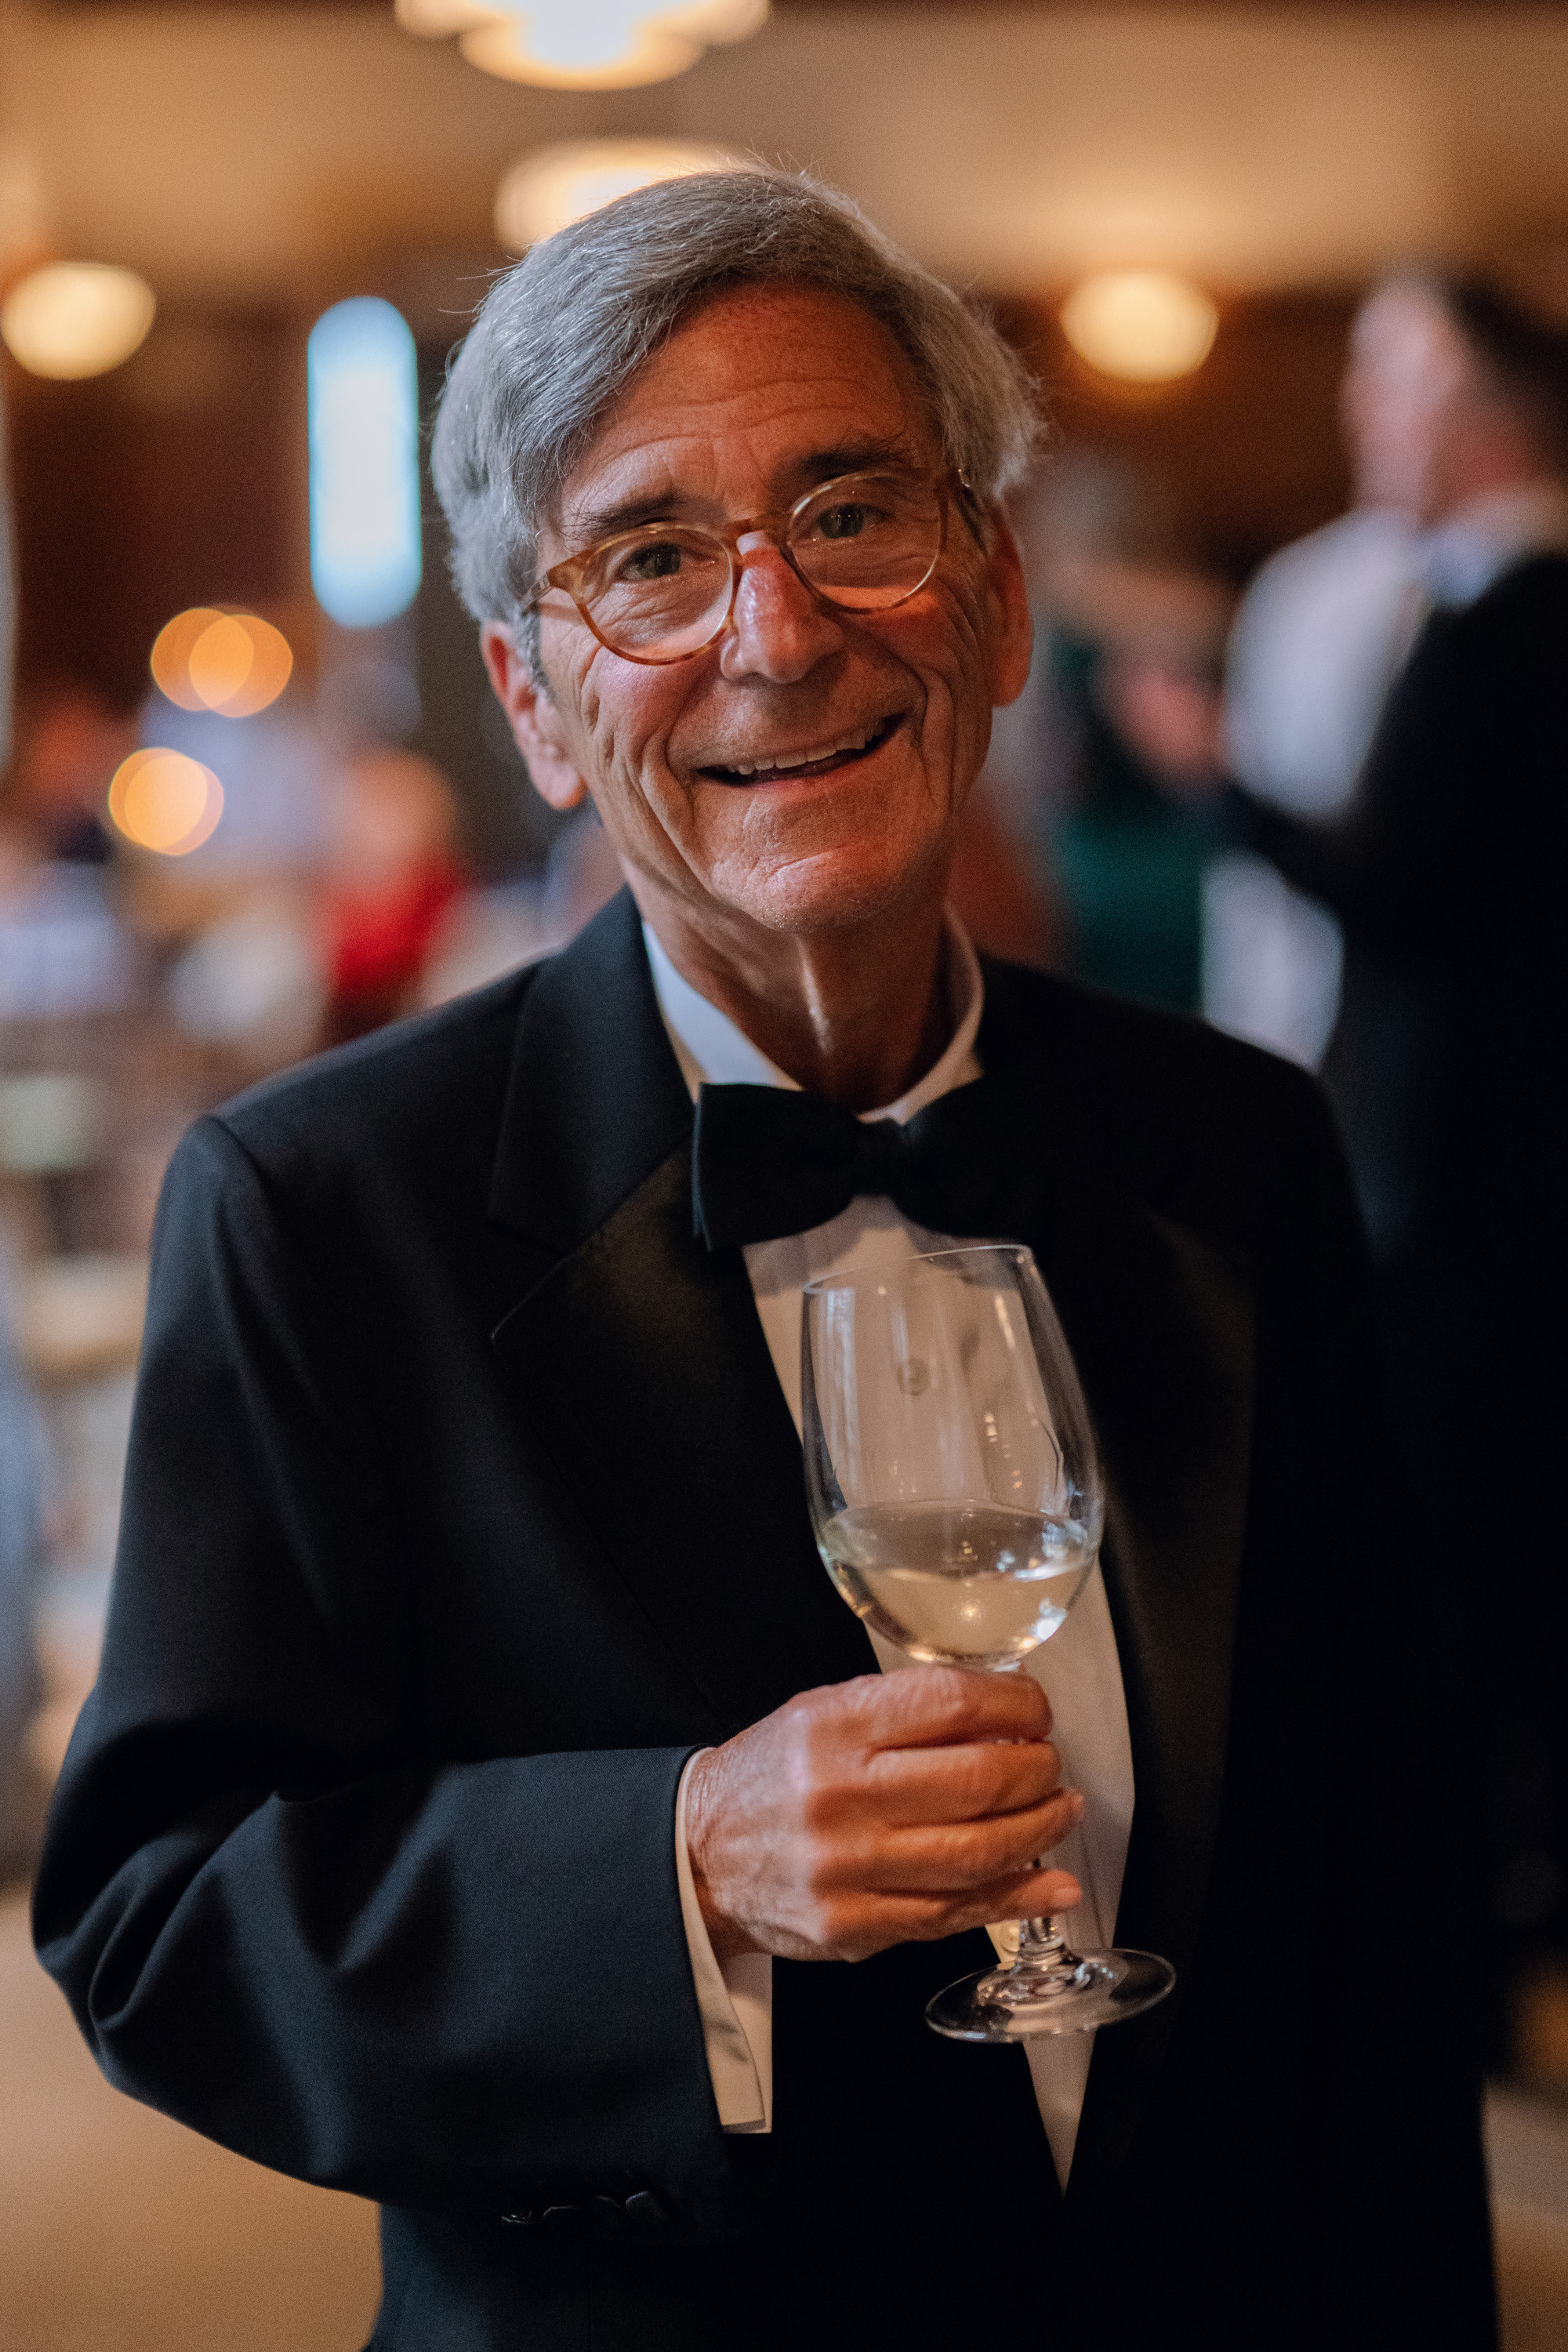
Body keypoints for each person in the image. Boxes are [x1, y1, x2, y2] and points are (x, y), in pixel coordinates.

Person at [33, 172, 1494, 2350]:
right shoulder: (322, 1208)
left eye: (854, 513)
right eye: (649, 561)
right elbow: (156, 1921)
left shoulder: (1239, 1148)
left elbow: (1378, 1899)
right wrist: (676, 1868)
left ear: (993, 599)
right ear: (535, 707)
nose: (778, 633)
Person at [1227, 273, 1568, 2025]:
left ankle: (1465, 1946)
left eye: (1393, 379)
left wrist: (1215, 776)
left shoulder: (1511, 610)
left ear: (1482, 407)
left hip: (1471, 1191)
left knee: (1461, 1564)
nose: (1366, 417)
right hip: (1492, 1183)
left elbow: (1405, 891)